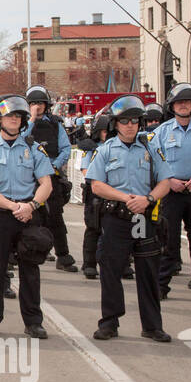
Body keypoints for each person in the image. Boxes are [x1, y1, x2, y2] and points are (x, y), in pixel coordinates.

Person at [85, 95, 174, 342]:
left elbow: (166, 181)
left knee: (148, 272)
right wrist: (126, 199)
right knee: (111, 271)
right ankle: (109, 323)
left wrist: (148, 200)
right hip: (116, 217)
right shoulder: (104, 151)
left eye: (134, 121)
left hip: (144, 217)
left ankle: (152, 325)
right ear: (116, 124)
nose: (130, 125)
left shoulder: (151, 149)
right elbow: (97, 185)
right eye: (124, 121)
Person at [0, 95, 55, 339]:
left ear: (22, 121)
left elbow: (46, 183)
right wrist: (12, 206)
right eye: (9, 116)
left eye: (17, 117)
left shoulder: (33, 148)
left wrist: (31, 206)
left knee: (30, 271)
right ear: (0, 120)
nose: (13, 120)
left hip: (29, 214)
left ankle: (33, 322)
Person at [150, 83, 191, 302]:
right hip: (172, 193)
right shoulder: (161, 132)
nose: (184, 105)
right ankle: (161, 286)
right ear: (172, 106)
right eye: (179, 102)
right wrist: (169, 180)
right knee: (168, 241)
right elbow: (154, 161)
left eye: (187, 102)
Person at [23, 86, 77, 273]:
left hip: (51, 176)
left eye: (40, 103)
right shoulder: (23, 123)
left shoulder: (55, 124)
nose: (37, 107)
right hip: (29, 178)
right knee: (31, 216)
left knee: (55, 217)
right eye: (33, 103)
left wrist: (54, 166)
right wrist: (30, 120)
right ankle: (32, 252)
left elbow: (65, 148)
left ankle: (63, 256)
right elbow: (20, 142)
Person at [76, 112, 113, 280]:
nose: (107, 134)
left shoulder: (117, 146)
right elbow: (85, 170)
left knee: (117, 230)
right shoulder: (90, 147)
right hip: (95, 192)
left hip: (115, 192)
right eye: (104, 131)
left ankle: (123, 264)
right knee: (93, 228)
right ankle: (89, 264)